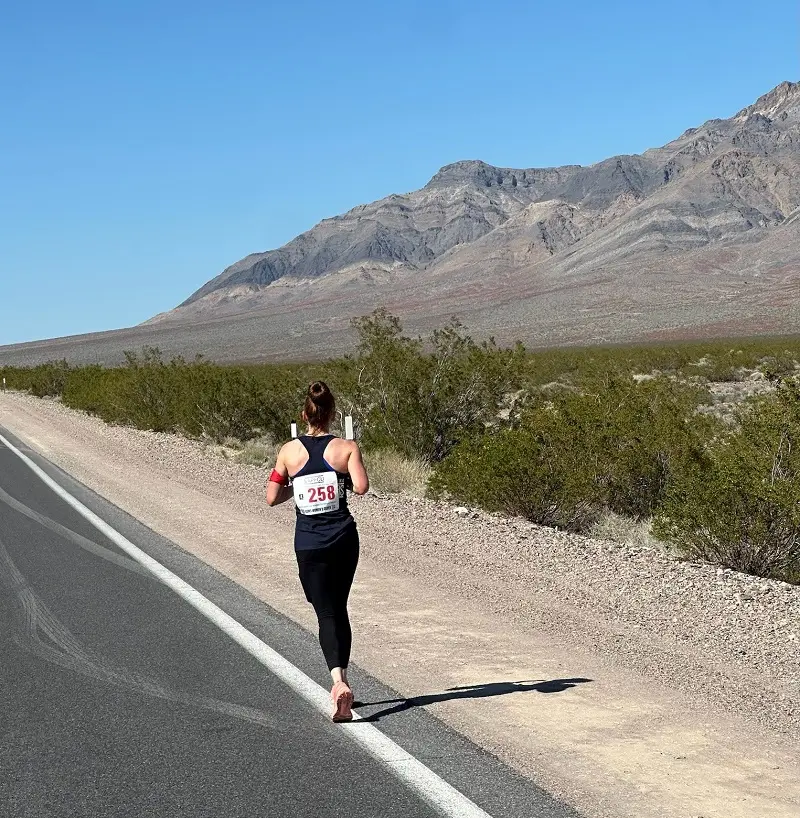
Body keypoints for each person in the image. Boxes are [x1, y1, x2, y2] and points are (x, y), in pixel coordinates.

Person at [266, 381, 369, 722]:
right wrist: (339, 479)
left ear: (304, 414)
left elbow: (271, 496)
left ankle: (337, 681)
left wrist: (296, 486)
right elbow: (362, 487)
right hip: (343, 538)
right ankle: (344, 681)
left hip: (309, 543)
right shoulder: (346, 447)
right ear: (332, 413)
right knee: (339, 608)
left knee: (325, 611)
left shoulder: (288, 452)